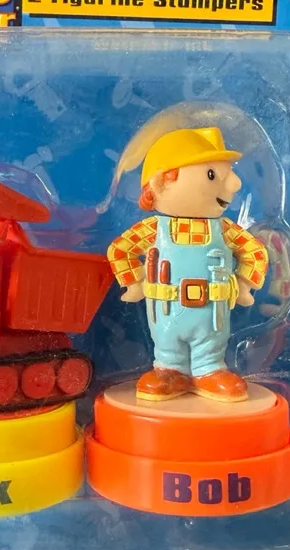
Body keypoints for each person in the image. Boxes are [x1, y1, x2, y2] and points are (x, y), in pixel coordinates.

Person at [107, 126, 268, 403]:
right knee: (167, 343)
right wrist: (135, 283)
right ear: (162, 181)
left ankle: (210, 369)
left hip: (212, 311)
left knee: (211, 343)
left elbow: (254, 251)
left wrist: (243, 285)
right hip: (166, 309)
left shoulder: (223, 230)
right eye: (212, 174)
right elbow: (120, 249)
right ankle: (170, 369)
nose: (235, 184)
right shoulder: (154, 229)